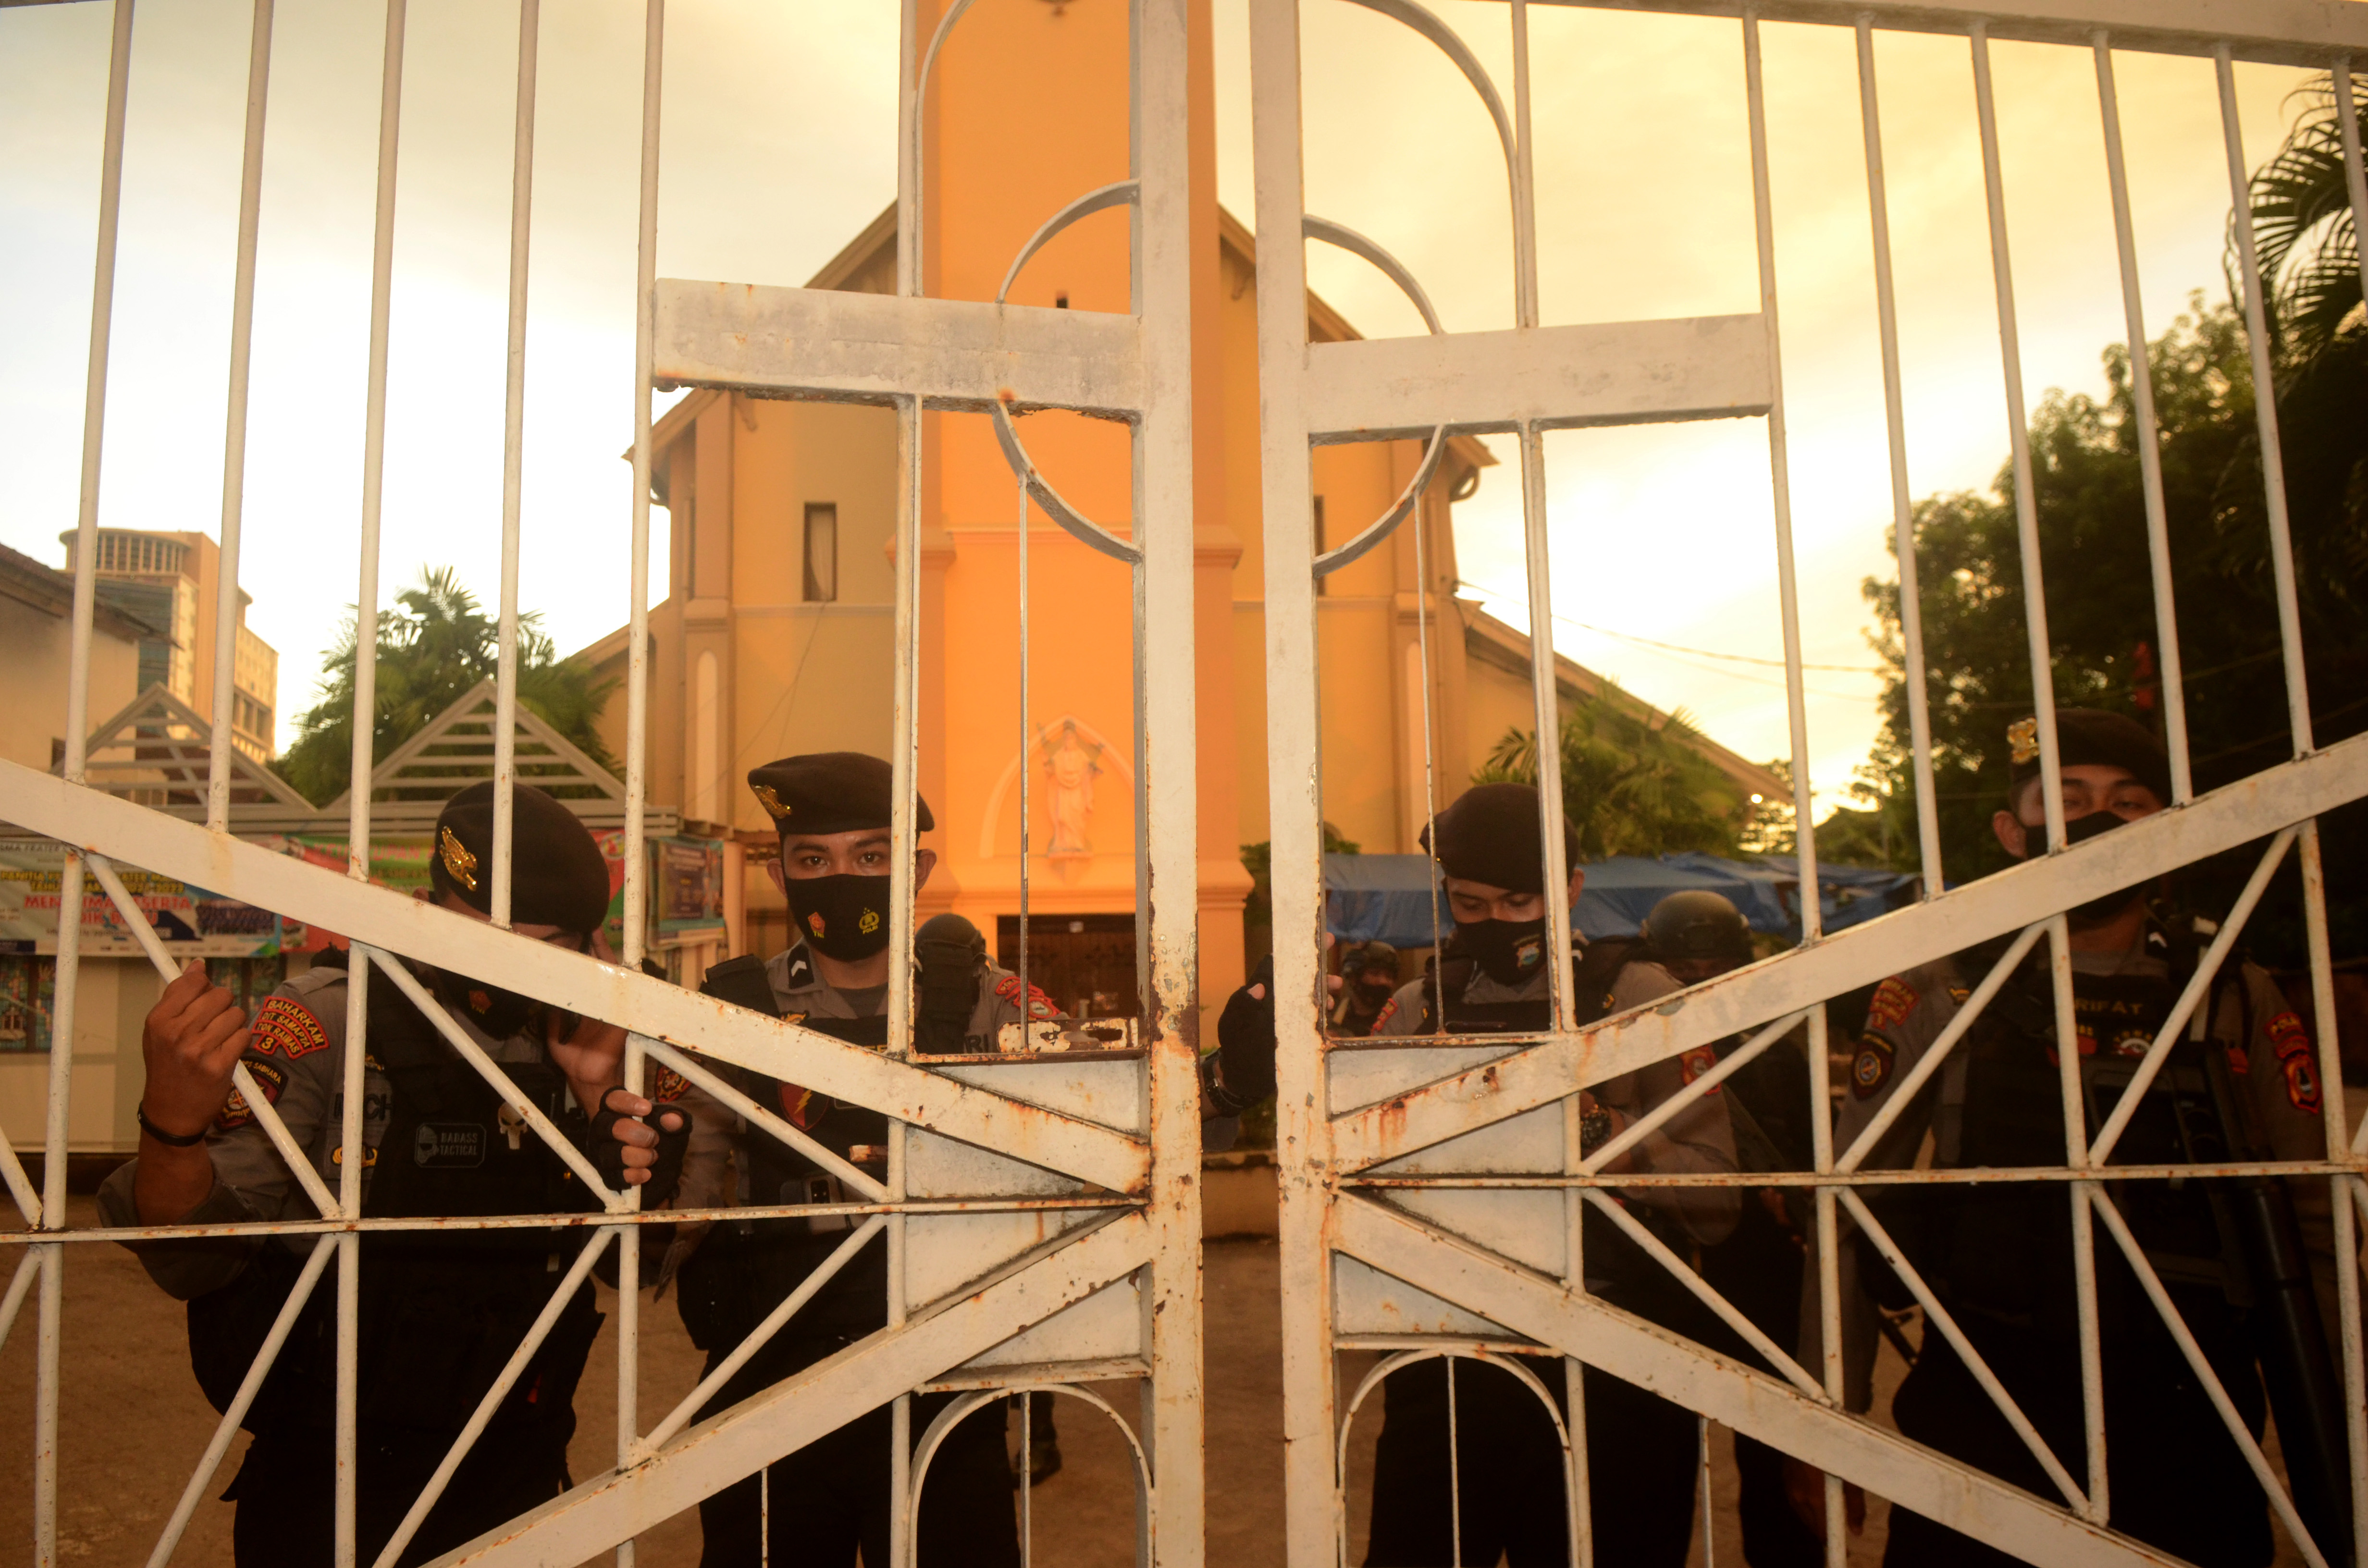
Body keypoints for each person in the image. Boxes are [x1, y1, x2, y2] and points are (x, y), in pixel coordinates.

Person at [1785, 710, 2344, 1568]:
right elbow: (1851, 1197)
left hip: (2192, 1399)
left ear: (2167, 825)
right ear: (2013, 830)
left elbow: (2316, 1216)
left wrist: (2347, 1416)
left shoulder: (2227, 982)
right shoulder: (1945, 978)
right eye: (2067, 797)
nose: (2096, 819)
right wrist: (1828, 1410)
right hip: (1987, 1387)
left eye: (2126, 802)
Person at [100, 782, 681, 1568]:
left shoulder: (585, 1034)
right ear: (421, 911)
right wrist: (171, 1128)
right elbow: (191, 1256)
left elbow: (635, 1269)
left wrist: (594, 1112)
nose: (509, 973)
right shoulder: (328, 1018)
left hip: (514, 1461)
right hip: (329, 1468)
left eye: (545, 948)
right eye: (486, 941)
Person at [667, 752, 1085, 1568]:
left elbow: (1113, 1136)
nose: (841, 876)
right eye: (813, 858)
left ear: (916, 867)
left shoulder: (987, 1004)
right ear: (778, 869)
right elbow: (666, 1223)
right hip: (770, 1382)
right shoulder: (729, 1011)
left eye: (870, 855)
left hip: (943, 1389)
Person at [1312, 783, 1741, 1567]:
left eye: (1520, 900)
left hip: (1612, 1367)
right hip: (1448, 1367)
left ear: (1570, 889)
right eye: (1470, 905)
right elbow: (1345, 1191)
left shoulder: (1639, 999)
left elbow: (1716, 1200)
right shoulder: (1417, 1006)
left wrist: (1603, 1132)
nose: (1496, 925)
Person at [1639, 891, 1824, 1568]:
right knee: (1652, 1469)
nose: (1698, 984)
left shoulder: (1777, 1043)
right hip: (1664, 1267)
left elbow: (1813, 1156)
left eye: (1713, 968)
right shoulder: (1625, 1043)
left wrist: (1794, 1202)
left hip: (1761, 1269)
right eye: (1684, 971)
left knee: (1780, 1464)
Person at [1330, 940, 1401, 1037]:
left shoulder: (1398, 1019)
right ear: (1353, 978)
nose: (1383, 981)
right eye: (1375, 973)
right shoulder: (1330, 1016)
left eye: (1389, 976)